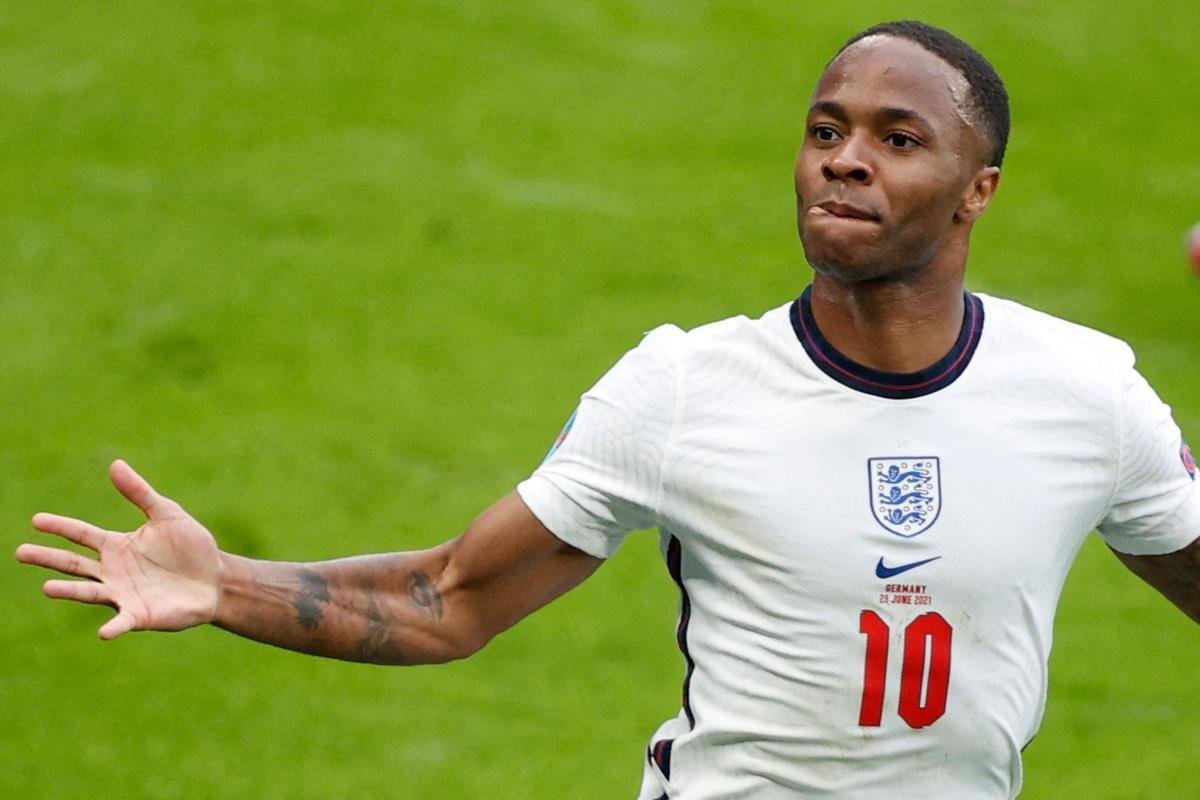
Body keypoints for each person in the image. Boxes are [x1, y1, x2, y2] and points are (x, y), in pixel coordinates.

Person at [17, 19, 1200, 800]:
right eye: (826, 129)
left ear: (976, 191)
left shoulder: (1084, 393)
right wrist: (223, 581)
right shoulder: (685, 390)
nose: (845, 159)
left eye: (899, 139)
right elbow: (450, 595)